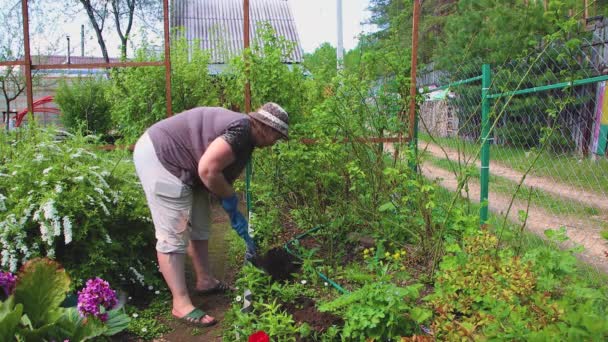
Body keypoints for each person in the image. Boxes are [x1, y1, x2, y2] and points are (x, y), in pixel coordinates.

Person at [133, 103, 288, 327]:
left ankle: (205, 280)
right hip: (163, 157)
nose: (276, 142)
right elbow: (207, 169)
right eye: (278, 136)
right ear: (268, 129)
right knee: (173, 234)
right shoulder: (241, 131)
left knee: (200, 222)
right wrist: (230, 197)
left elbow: (213, 171)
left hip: (186, 164)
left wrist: (228, 202)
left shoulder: (247, 136)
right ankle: (181, 304)